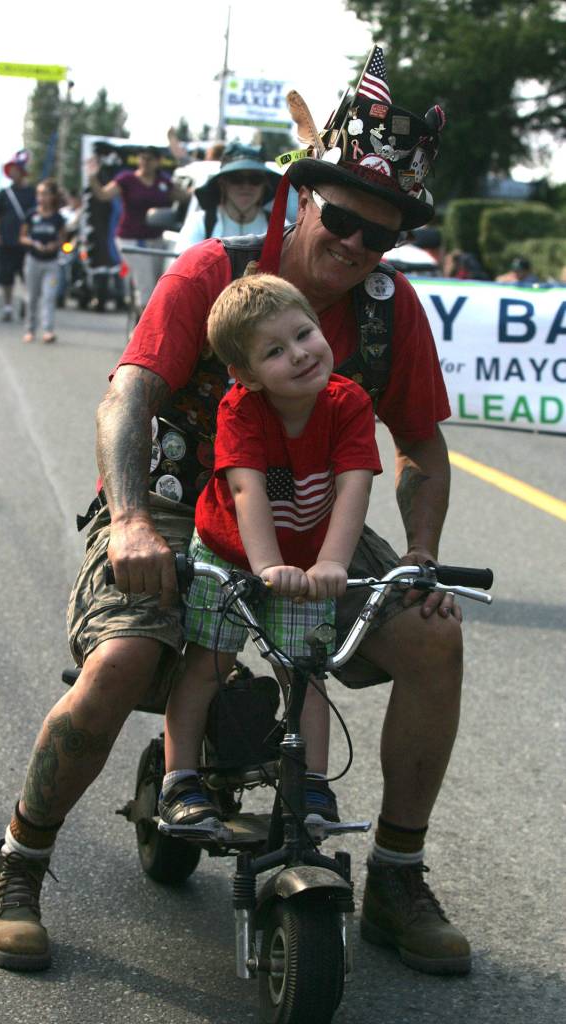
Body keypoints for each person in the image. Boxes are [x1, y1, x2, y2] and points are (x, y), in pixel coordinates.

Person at [0, 46, 471, 980]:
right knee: (124, 659)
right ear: (306, 195)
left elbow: (423, 450)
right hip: (173, 502)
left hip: (304, 514)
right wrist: (127, 520)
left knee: (433, 638)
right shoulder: (214, 269)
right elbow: (126, 397)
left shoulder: (384, 310)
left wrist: (423, 558)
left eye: (384, 235)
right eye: (348, 220)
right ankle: (17, 861)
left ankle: (397, 879)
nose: (361, 245)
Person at [158, 274, 381, 832]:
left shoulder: (347, 401)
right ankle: (179, 779)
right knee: (210, 663)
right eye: (275, 352)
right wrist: (263, 567)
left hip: (304, 558)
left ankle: (310, 786)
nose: (301, 355)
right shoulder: (241, 409)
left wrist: (331, 562)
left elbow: (355, 483)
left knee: (302, 669)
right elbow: (244, 490)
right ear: (245, 375)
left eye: (305, 334)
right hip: (232, 551)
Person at [85, 145, 186, 318]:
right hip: (131, 240)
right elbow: (103, 194)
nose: (145, 162)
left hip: (156, 240)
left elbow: (185, 197)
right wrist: (93, 178)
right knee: (146, 286)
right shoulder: (127, 179)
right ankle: (144, 331)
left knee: (158, 286)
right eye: (142, 158)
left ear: (158, 162)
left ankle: (141, 321)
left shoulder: (164, 182)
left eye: (149, 159)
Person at [173, 142, 281, 255]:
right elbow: (184, 269)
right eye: (236, 178)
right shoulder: (200, 223)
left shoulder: (280, 227)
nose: (246, 186)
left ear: (265, 184)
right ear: (222, 184)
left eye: (255, 179)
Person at [0, 150, 36, 322]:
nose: (13, 173)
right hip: (7, 240)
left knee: (26, 277)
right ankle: (8, 307)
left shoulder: (32, 193)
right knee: (6, 276)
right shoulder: (3, 194)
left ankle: (26, 303)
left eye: (15, 169)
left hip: (26, 242)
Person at [19, 178, 66, 344]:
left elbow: (62, 238)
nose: (41, 197)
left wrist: (54, 245)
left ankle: (48, 330)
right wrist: (33, 243)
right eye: (39, 194)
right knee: (31, 297)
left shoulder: (58, 218)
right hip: (33, 260)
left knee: (49, 296)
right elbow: (22, 237)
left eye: (45, 194)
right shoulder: (32, 215)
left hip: (51, 263)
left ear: (52, 196)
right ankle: (30, 329)